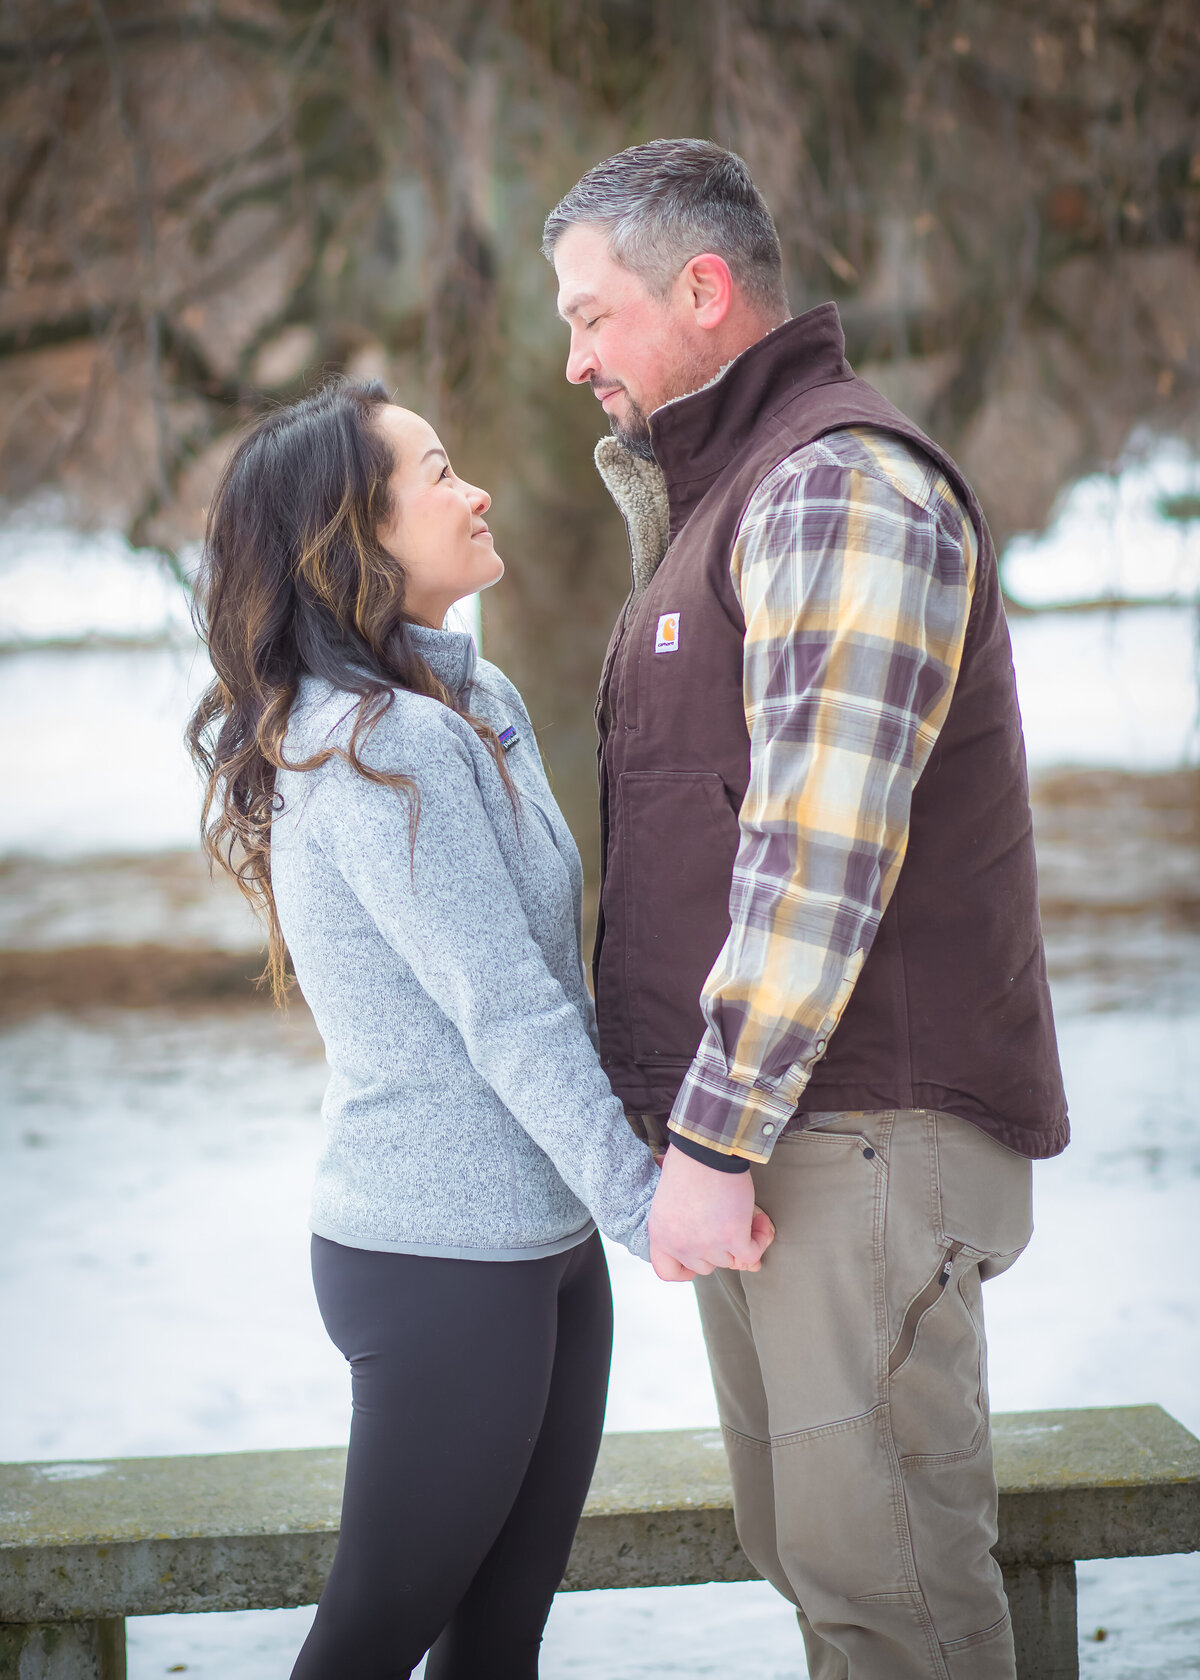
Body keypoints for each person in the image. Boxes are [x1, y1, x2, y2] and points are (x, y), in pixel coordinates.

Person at [544, 139, 1069, 1679]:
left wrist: (709, 1142)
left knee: (889, 1599)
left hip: (855, 1140)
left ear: (703, 292)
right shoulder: (733, 493)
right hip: (789, 1138)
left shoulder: (837, 483)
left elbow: (820, 848)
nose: (571, 360)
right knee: (819, 1565)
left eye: (592, 318)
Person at [186, 380, 769, 1679]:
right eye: (437, 475)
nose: (477, 490)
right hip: (442, 1259)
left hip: (543, 1245)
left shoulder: (470, 697)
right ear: (357, 536)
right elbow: (504, 1005)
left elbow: (556, 974)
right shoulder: (372, 749)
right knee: (369, 1641)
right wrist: (649, 1201)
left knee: (498, 1643)